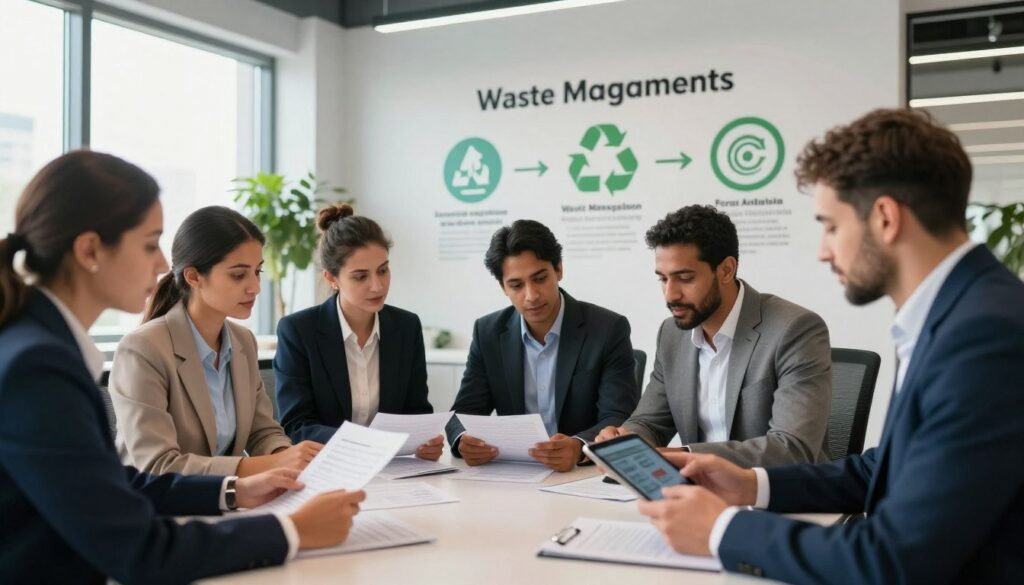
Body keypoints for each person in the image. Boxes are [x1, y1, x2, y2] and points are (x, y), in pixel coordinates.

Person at [636, 109, 1024, 583]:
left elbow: (892, 560)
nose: (823, 249)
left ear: (884, 217)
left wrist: (721, 531)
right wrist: (750, 484)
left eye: (831, 225)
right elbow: (886, 468)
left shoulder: (984, 336)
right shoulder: (960, 312)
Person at [0, 151, 364, 584]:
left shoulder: (38, 347)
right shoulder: (37, 366)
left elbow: (109, 483)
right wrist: (292, 530)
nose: (160, 266)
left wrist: (233, 490)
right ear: (90, 250)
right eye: (150, 244)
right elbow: (141, 551)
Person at [596, 205, 832, 467]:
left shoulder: (794, 329)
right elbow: (649, 422)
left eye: (684, 278)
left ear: (726, 270)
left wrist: (682, 456)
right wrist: (626, 439)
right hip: (700, 492)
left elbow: (791, 448)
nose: (670, 294)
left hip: (779, 494)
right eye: (663, 279)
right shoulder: (671, 334)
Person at [110, 206, 321, 476]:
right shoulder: (143, 349)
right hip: (158, 508)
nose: (255, 287)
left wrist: (288, 456)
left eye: (258, 271)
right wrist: (269, 465)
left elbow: (262, 432)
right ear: (194, 276)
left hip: (228, 501)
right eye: (238, 274)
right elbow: (159, 466)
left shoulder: (243, 342)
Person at [446, 219, 640, 472]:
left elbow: (618, 416)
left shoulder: (607, 329)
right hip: (515, 473)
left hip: (583, 475)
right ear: (503, 287)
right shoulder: (488, 332)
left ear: (558, 269)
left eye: (539, 278)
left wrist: (579, 446)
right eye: (516, 285)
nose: (531, 295)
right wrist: (464, 441)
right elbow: (462, 414)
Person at [275, 204, 441, 459]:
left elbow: (416, 411)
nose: (377, 286)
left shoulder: (406, 327)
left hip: (394, 469)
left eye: (383, 270)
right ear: (332, 278)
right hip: (331, 465)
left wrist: (424, 440)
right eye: (360, 276)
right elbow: (297, 426)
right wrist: (367, 443)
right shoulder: (298, 331)